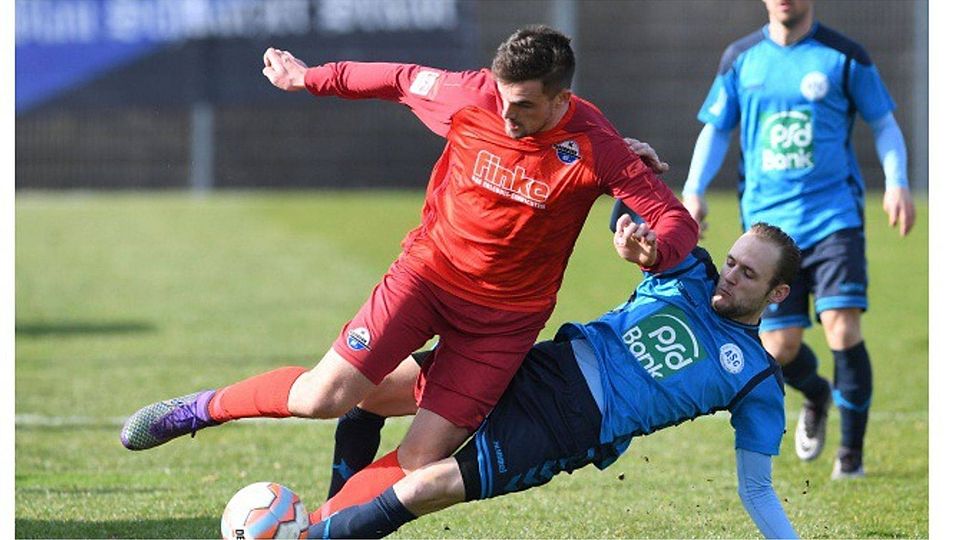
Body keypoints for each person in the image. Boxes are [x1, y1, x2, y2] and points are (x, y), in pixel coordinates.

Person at [120, 25, 699, 507]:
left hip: (504, 321)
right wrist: (309, 78)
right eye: (501, 98)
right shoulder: (470, 96)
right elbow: (395, 79)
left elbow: (676, 221)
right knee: (323, 398)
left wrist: (655, 249)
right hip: (428, 276)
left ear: (561, 100)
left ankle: (317, 525)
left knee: (424, 459)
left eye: (522, 105)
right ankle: (197, 410)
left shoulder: (599, 147)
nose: (505, 115)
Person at [302, 219, 800, 539]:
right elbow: (633, 208)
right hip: (544, 362)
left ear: (777, 294)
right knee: (369, 394)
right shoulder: (690, 272)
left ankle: (311, 537)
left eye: (748, 275)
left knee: (421, 487)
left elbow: (756, 488)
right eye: (732, 262)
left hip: (570, 426)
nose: (729, 276)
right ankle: (329, 516)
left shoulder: (756, 379)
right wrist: (631, 231)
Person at [678, 0, 916, 479]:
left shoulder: (844, 56)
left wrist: (897, 181)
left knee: (842, 328)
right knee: (779, 348)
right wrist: (693, 190)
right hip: (769, 231)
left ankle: (851, 457)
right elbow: (716, 129)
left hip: (833, 218)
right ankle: (817, 394)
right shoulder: (741, 58)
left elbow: (885, 124)